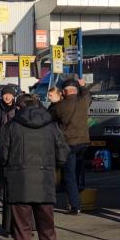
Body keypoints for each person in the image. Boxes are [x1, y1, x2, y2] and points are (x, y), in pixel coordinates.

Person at [0, 94, 69, 240]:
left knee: (22, 234)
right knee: (48, 232)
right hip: (45, 184)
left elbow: (1, 155)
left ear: (18, 107)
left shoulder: (11, 127)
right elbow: (63, 154)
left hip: (19, 186)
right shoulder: (51, 126)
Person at [50, 78, 91, 214]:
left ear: (64, 92)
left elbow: (51, 117)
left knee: (70, 176)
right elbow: (87, 95)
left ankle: (75, 205)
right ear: (76, 90)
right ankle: (80, 195)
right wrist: (83, 86)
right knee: (79, 172)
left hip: (69, 145)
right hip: (84, 143)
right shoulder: (84, 101)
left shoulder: (60, 106)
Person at [0, 84, 21, 204]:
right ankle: (3, 192)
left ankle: (14, 192)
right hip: (2, 144)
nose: (7, 97)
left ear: (13, 96)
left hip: (16, 143)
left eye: (9, 94)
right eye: (5, 95)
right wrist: (1, 141)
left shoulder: (18, 109)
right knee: (3, 170)